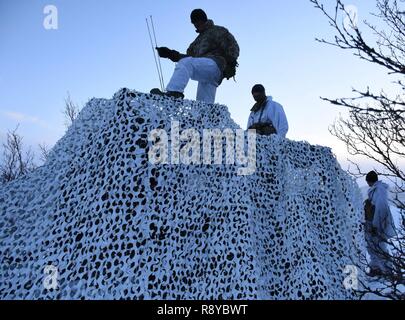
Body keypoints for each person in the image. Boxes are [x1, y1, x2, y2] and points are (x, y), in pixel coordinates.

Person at [150, 9, 240, 103]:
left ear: (204, 19)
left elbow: (233, 46)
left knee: (186, 63)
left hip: (215, 64)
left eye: (198, 20)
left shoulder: (218, 31)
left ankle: (174, 93)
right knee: (204, 104)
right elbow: (189, 59)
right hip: (206, 73)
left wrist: (231, 62)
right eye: (194, 22)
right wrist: (170, 54)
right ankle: (205, 116)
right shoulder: (196, 43)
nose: (196, 24)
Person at [364, 171, 396, 277]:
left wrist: (376, 226)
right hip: (372, 223)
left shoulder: (379, 190)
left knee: (380, 247)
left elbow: (381, 209)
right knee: (372, 246)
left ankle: (387, 271)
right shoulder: (375, 190)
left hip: (378, 224)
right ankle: (376, 268)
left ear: (369, 181)